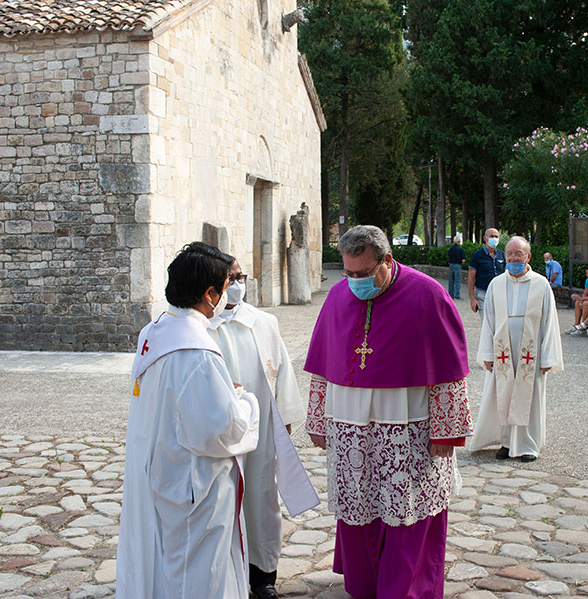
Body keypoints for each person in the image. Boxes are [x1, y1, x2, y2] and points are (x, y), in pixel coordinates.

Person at [304, 225, 472, 599]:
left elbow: (449, 368)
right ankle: (364, 584)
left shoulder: (428, 295)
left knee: (406, 506)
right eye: (348, 273)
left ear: (387, 260)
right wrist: (318, 420)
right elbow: (322, 365)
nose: (355, 281)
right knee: (359, 505)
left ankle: (406, 589)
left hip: (407, 423)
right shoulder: (337, 296)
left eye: (364, 273)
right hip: (351, 426)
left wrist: (447, 429)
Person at [117, 242, 260, 599]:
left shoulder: (156, 331)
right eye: (225, 290)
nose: (228, 298)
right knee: (199, 570)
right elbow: (219, 430)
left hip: (165, 468)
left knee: (171, 562)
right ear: (209, 294)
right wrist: (244, 401)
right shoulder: (196, 352)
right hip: (196, 483)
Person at [208, 259, 318, 599]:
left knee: (260, 497)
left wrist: (282, 423)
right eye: (231, 278)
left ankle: (263, 573)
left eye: (241, 277)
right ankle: (222, 570)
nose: (239, 284)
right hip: (215, 433)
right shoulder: (200, 326)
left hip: (260, 432)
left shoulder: (264, 322)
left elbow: (282, 372)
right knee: (218, 500)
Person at [471, 237, 564, 462]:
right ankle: (505, 442)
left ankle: (527, 445)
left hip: (530, 354)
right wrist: (487, 354)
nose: (513, 258)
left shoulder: (541, 284)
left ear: (528, 257)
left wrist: (547, 357)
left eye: (518, 254)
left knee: (528, 398)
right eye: (510, 254)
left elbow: (550, 322)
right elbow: (489, 322)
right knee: (503, 395)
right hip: (503, 351)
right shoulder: (496, 284)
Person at [468, 228, 506, 316]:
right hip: (483, 294)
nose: (494, 239)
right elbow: (471, 277)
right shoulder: (477, 255)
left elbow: (506, 274)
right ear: (485, 238)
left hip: (499, 294)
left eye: (496, 236)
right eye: (492, 236)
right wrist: (472, 298)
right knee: (486, 324)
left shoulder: (502, 255)